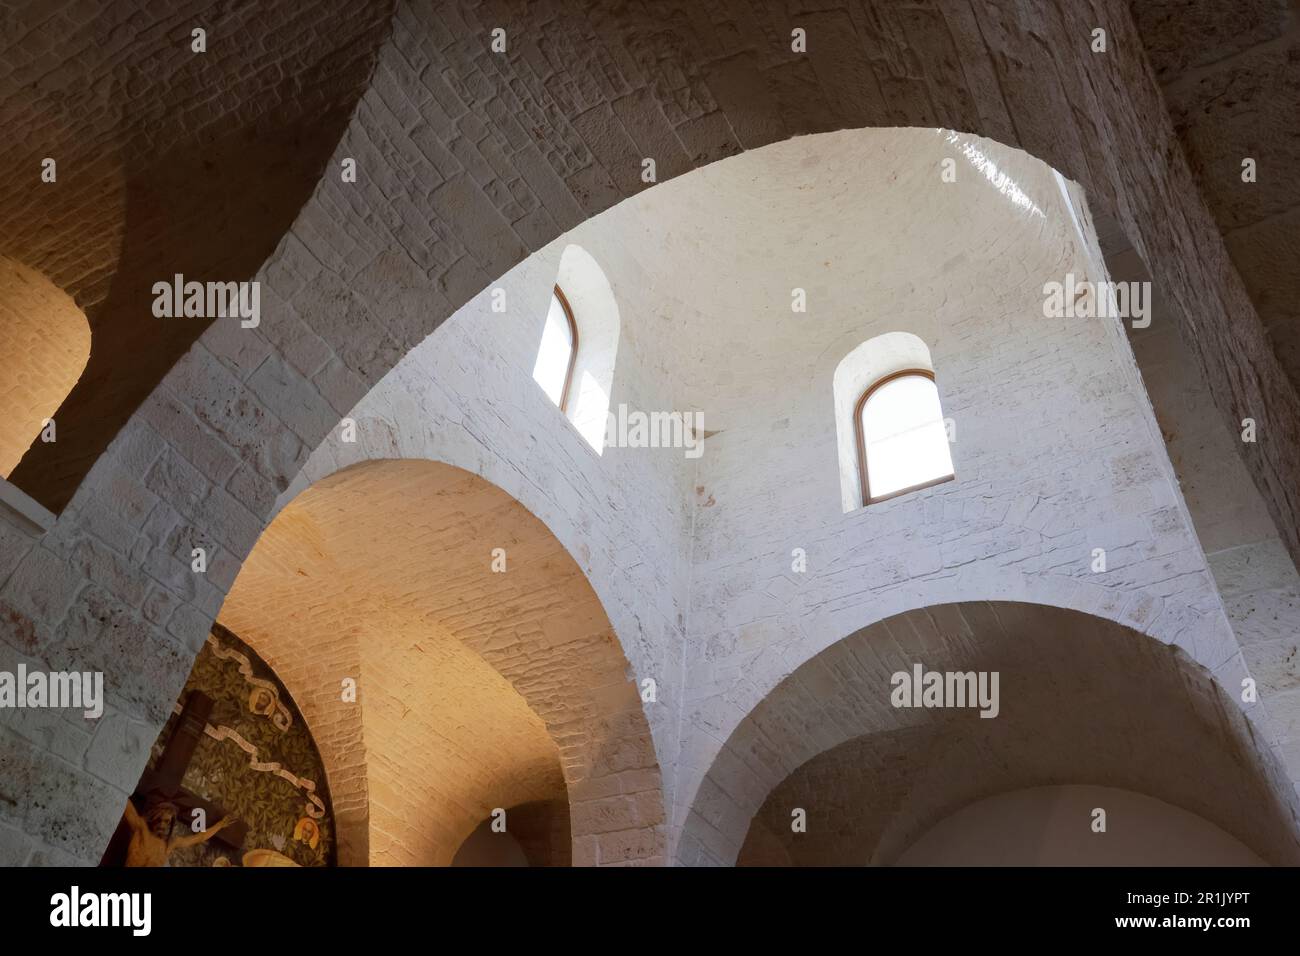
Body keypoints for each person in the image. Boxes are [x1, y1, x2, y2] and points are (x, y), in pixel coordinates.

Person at [120, 798, 235, 867]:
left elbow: (200, 837)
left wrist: (220, 825)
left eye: (166, 821)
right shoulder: (141, 829)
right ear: (153, 817)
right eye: (159, 819)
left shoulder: (169, 844)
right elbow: (125, 801)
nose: (162, 825)